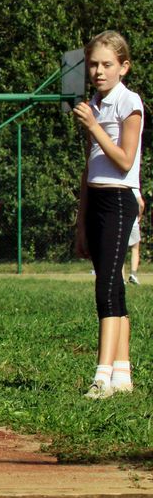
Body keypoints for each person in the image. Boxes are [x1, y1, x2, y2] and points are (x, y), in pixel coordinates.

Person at [73, 30, 141, 399]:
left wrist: (95, 127)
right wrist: (81, 222)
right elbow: (90, 167)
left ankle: (101, 376)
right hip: (98, 201)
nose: (98, 71)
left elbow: (124, 160)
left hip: (119, 198)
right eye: (94, 64)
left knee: (106, 287)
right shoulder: (95, 103)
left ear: (123, 67)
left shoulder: (129, 103)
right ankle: (122, 373)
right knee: (112, 285)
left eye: (107, 64)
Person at [127, 190, 144, 285]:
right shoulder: (133, 188)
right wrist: (139, 216)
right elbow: (141, 204)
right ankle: (133, 275)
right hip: (133, 222)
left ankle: (120, 277)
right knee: (135, 249)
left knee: (121, 250)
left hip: (120, 222)